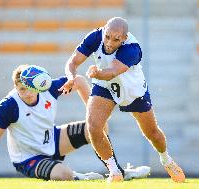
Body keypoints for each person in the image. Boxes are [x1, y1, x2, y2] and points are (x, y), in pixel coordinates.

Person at [59, 17, 185, 183]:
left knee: (152, 133)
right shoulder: (95, 37)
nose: (110, 42)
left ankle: (166, 159)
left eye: (116, 39)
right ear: (104, 30)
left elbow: (112, 72)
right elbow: (73, 61)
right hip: (104, 86)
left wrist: (97, 73)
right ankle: (114, 171)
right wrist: (70, 77)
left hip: (132, 90)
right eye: (107, 36)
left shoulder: (132, 48)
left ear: (124, 39)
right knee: (93, 127)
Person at [0, 64, 151, 181]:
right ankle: (81, 178)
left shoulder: (48, 87)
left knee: (95, 130)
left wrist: (93, 116)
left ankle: (117, 172)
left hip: (53, 140)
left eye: (30, 88)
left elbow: (80, 81)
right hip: (28, 158)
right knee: (64, 174)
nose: (27, 93)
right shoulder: (9, 106)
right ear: (15, 88)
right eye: (22, 89)